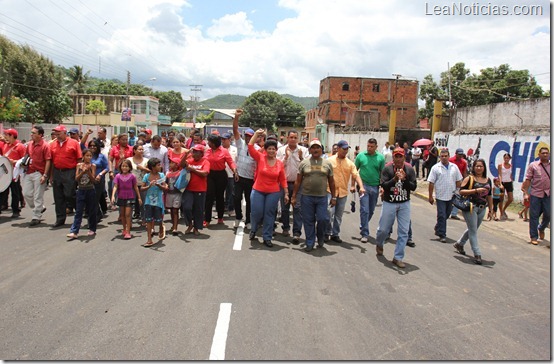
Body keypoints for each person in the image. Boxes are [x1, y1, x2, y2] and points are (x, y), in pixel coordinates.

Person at [375, 148, 417, 268]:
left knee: (404, 231)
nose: (398, 159)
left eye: (400, 157)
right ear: (393, 158)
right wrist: (394, 179)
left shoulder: (409, 169)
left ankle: (398, 257)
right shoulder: (387, 169)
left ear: (404, 158)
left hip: (404, 203)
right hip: (390, 202)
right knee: (383, 229)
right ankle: (379, 243)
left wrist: (404, 179)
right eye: (396, 157)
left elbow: (413, 187)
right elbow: (383, 185)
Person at [291, 139, 336, 252]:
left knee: (323, 219)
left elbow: (331, 182)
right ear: (310, 150)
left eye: (318, 148)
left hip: (322, 197)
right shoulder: (304, 163)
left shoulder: (327, 164)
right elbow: (298, 181)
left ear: (321, 150)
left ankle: (320, 237)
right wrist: (294, 196)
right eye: (313, 148)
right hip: (307, 197)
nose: (315, 150)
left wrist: (334, 197)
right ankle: (310, 242)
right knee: (308, 220)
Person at [247, 129, 288, 247]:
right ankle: (254, 229)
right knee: (256, 212)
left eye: (273, 149)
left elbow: (283, 179)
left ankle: (267, 237)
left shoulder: (279, 163)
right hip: (258, 190)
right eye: (269, 148)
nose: (271, 151)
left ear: (276, 151)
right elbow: (250, 146)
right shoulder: (260, 158)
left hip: (273, 192)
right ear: (265, 150)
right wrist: (256, 134)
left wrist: (286, 193)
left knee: (269, 214)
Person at [453, 159, 493, 264]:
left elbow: (489, 195)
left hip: (482, 208)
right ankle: (477, 254)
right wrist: (475, 190)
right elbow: (461, 191)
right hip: (471, 207)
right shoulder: (469, 179)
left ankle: (460, 244)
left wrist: (491, 210)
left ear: (484, 168)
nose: (479, 168)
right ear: (473, 167)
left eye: (481, 166)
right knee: (473, 231)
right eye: (477, 166)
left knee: (473, 229)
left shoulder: (488, 180)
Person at [325, 140, 365, 243]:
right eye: (344, 148)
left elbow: (356, 175)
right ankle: (327, 232)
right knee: (329, 212)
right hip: (330, 191)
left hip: (342, 193)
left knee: (338, 215)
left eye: (347, 149)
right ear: (338, 148)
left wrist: (361, 187)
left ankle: (335, 234)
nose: (345, 151)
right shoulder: (329, 161)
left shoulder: (350, 163)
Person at [276, 129, 308, 241]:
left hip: (298, 184)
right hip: (284, 184)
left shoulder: (303, 150)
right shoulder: (281, 150)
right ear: (287, 138)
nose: (293, 139)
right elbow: (277, 166)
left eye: (295, 137)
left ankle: (297, 232)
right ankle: (285, 227)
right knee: (284, 207)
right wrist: (286, 157)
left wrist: (301, 158)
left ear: (298, 139)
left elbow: (307, 167)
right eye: (291, 137)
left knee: (297, 208)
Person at [427, 149, 463, 243]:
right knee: (442, 215)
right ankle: (442, 234)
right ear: (440, 157)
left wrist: (459, 191)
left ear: (449, 156)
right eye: (442, 156)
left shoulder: (454, 167)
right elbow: (431, 183)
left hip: (451, 196)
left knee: (447, 214)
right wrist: (430, 196)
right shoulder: (435, 168)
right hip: (440, 196)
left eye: (446, 156)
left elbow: (459, 180)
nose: (444, 158)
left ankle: (438, 227)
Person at [50, 125, 83, 227]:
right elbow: (51, 161)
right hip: (57, 171)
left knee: (70, 194)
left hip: (70, 171)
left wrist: (78, 173)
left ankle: (80, 212)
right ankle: (60, 219)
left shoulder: (74, 143)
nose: (57, 135)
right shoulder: (52, 144)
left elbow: (79, 159)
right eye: (56, 134)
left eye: (59, 133)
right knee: (58, 196)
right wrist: (51, 176)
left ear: (65, 133)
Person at [355, 138, 385, 243]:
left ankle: (363, 224)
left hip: (375, 186)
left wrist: (382, 187)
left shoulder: (380, 158)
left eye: (372, 146)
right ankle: (365, 233)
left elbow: (382, 173)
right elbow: (354, 171)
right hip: (363, 186)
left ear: (376, 147)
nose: (369, 148)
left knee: (371, 210)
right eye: (368, 146)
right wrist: (353, 185)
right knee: (365, 209)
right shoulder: (361, 156)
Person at [204, 134, 237, 227]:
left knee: (220, 197)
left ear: (214, 143)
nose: (208, 143)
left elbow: (231, 162)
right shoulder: (207, 151)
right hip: (210, 175)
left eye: (209, 142)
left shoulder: (224, 151)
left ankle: (220, 217)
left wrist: (235, 171)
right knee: (209, 197)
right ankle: (207, 219)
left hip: (221, 175)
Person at [232, 109, 258, 230]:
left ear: (254, 138)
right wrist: (236, 117)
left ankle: (248, 220)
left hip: (250, 179)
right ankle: (238, 217)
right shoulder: (240, 143)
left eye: (250, 136)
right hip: (239, 176)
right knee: (236, 197)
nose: (248, 138)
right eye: (246, 136)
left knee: (249, 201)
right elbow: (235, 130)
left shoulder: (257, 149)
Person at [21, 126, 51, 225]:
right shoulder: (29, 144)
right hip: (29, 171)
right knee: (26, 193)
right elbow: (26, 156)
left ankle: (36, 216)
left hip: (39, 172)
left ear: (40, 135)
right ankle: (39, 208)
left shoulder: (45, 146)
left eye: (34, 133)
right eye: (31, 133)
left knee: (38, 195)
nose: (31, 134)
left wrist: (45, 175)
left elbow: (48, 161)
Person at [521, 147, 550, 246]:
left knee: (548, 215)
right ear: (539, 154)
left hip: (548, 194)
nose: (545, 155)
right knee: (534, 216)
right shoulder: (533, 166)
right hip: (535, 194)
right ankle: (533, 236)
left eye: (547, 153)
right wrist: (525, 193)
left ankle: (541, 228)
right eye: (543, 153)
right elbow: (528, 179)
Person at [67, 149, 98, 239]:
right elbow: (76, 178)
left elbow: (93, 180)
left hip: (90, 190)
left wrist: (88, 172)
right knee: (79, 211)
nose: (88, 158)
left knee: (91, 210)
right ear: (83, 156)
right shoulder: (79, 165)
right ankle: (74, 231)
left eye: (90, 156)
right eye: (87, 156)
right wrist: (82, 172)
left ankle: (92, 228)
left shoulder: (93, 166)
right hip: (81, 190)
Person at [182, 144, 210, 235]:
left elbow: (205, 173)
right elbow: (181, 165)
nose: (194, 154)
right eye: (193, 152)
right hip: (188, 189)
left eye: (197, 152)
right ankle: (190, 224)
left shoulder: (205, 162)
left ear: (201, 153)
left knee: (198, 209)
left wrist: (192, 169)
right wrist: (186, 155)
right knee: (186, 207)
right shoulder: (189, 161)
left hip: (200, 189)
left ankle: (196, 227)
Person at [111, 159, 141, 239]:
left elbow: (135, 187)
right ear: (120, 167)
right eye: (123, 166)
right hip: (121, 197)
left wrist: (139, 197)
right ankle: (124, 228)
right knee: (123, 215)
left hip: (130, 196)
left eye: (126, 166)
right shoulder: (118, 176)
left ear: (129, 167)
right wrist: (113, 196)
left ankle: (128, 231)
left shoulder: (132, 176)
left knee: (128, 214)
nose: (124, 168)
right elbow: (115, 186)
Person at [141, 158, 168, 247]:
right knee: (148, 220)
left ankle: (161, 227)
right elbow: (142, 188)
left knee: (159, 219)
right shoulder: (146, 176)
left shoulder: (161, 175)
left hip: (158, 202)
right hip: (148, 202)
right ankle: (149, 239)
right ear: (153, 167)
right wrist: (149, 186)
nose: (160, 166)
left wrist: (159, 185)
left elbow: (165, 187)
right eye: (158, 165)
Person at [0, 129, 26, 218]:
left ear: (12, 136)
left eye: (7, 134)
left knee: (15, 192)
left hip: (15, 172)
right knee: (2, 190)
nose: (5, 136)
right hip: (5, 172)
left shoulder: (20, 146)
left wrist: (14, 161)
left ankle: (16, 210)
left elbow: (24, 160)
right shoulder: (5, 146)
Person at [88, 139, 109, 223]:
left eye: (94, 146)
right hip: (88, 181)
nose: (92, 147)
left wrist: (100, 174)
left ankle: (95, 217)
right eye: (91, 146)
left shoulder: (101, 156)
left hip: (98, 180)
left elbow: (107, 168)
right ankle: (98, 213)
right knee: (90, 199)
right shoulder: (87, 156)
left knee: (94, 199)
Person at [128, 144, 149, 223]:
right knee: (130, 203)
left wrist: (143, 168)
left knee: (143, 202)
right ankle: (129, 221)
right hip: (131, 185)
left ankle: (144, 219)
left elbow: (151, 171)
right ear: (134, 150)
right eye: (139, 149)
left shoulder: (146, 160)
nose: (141, 151)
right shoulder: (129, 160)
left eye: (142, 149)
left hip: (143, 184)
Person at [448, 148, 468, 220]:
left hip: (459, 181)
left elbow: (464, 172)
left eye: (461, 155)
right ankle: (448, 211)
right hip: (450, 180)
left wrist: (466, 182)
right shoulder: (450, 160)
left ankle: (454, 213)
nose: (460, 156)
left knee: (458, 197)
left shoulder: (464, 162)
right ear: (456, 154)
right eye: (459, 154)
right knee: (449, 196)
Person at [221, 133, 237, 217]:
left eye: (225, 139)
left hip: (231, 175)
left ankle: (230, 209)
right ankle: (221, 210)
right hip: (221, 175)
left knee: (231, 193)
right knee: (220, 193)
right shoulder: (219, 149)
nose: (223, 141)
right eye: (222, 139)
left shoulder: (235, 149)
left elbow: (236, 162)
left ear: (229, 140)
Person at [165, 159, 182, 235]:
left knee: (175, 210)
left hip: (177, 194)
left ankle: (175, 227)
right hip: (169, 194)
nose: (170, 164)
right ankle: (173, 225)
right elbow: (165, 183)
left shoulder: (179, 173)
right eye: (170, 163)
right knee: (171, 210)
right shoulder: (168, 174)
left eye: (172, 163)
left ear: (177, 165)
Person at [497, 153, 514, 220]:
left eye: (508, 158)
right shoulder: (500, 165)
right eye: (505, 158)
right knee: (501, 199)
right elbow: (500, 175)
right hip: (502, 183)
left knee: (510, 199)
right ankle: (501, 213)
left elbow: (510, 174)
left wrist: (511, 179)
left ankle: (504, 209)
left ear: (510, 159)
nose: (506, 159)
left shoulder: (511, 166)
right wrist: (500, 184)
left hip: (509, 183)